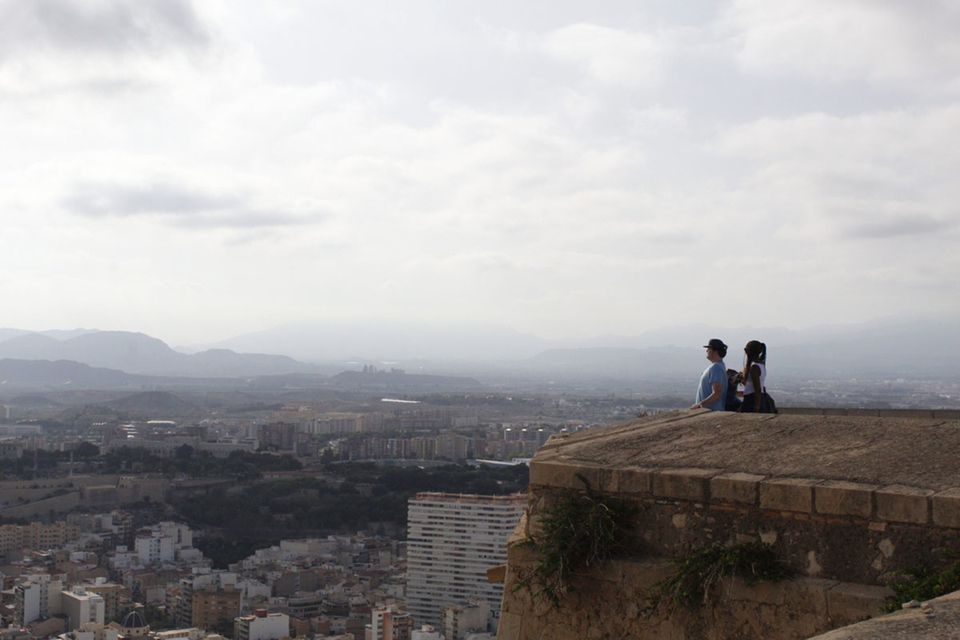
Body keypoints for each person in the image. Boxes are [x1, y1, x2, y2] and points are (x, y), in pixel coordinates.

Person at [691, 338, 728, 411]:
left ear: (715, 351)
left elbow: (717, 393)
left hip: (711, 411)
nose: (707, 351)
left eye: (708, 348)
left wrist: (700, 404)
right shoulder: (719, 366)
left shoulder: (716, 367)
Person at [739, 340, 768, 413]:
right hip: (759, 398)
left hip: (752, 399)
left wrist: (756, 407)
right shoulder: (761, 365)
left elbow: (757, 388)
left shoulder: (754, 367)